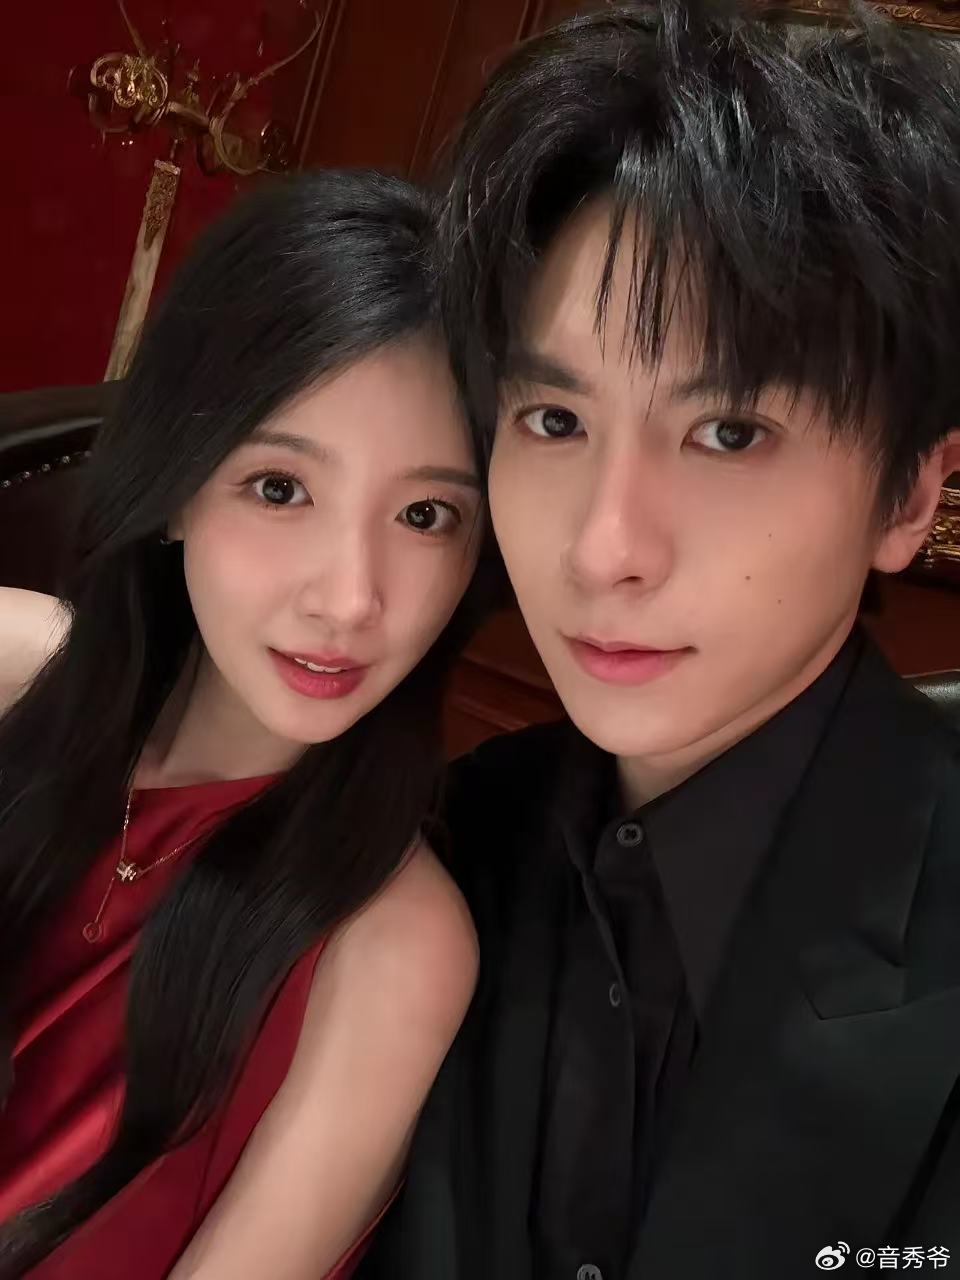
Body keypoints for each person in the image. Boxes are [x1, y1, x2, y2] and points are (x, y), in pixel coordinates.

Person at [360, 5, 960, 1278]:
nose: (602, 549)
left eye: (729, 432)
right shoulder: (442, 840)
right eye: (554, 420)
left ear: (908, 493)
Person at [0, 169, 495, 1279]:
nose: (351, 598)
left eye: (426, 514)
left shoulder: (392, 948)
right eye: (281, 488)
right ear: (179, 486)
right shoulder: (11, 671)